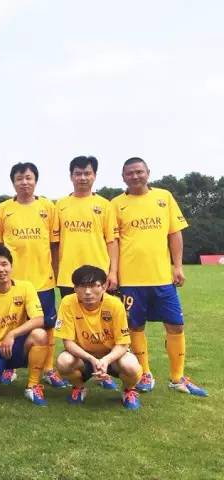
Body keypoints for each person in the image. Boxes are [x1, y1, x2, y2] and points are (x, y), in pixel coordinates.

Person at [111, 157, 207, 396]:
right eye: (130, 173)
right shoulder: (116, 204)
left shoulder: (164, 197)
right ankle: (144, 373)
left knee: (175, 325)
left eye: (139, 171)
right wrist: (113, 272)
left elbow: (174, 234)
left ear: (148, 172)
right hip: (131, 280)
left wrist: (178, 266)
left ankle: (177, 377)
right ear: (123, 177)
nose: (135, 176)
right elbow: (113, 241)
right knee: (135, 326)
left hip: (162, 278)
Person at [0, 162, 67, 388]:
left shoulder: (48, 207)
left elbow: (54, 245)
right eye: (19, 178)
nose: (24, 182)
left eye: (28, 178)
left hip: (42, 281)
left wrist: (55, 273)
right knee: (12, 324)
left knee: (47, 326)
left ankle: (48, 369)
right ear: (13, 182)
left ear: (35, 180)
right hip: (12, 282)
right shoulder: (3, 209)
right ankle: (10, 368)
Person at [53, 156, 119, 390]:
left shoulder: (105, 205)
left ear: (94, 175)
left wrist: (113, 271)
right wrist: (56, 271)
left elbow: (112, 241)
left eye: (87, 173)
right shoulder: (60, 205)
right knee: (75, 330)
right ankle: (79, 379)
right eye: (78, 173)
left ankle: (105, 371)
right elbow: (54, 243)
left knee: (105, 328)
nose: (82, 177)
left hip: (99, 278)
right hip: (69, 278)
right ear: (71, 176)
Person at [54, 265, 143, 410]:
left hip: (112, 357)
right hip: (84, 357)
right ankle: (79, 388)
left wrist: (106, 360)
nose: (88, 292)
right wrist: (91, 359)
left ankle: (129, 390)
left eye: (93, 286)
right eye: (82, 286)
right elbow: (68, 343)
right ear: (75, 288)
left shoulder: (115, 304)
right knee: (63, 362)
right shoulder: (68, 302)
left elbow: (123, 343)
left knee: (131, 366)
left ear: (104, 286)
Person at [0, 244, 49, 406]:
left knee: (40, 334)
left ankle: (32, 386)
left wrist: (12, 334)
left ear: (11, 266)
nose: (1, 269)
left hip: (16, 345)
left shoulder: (26, 287)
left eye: (4, 264)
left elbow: (39, 319)